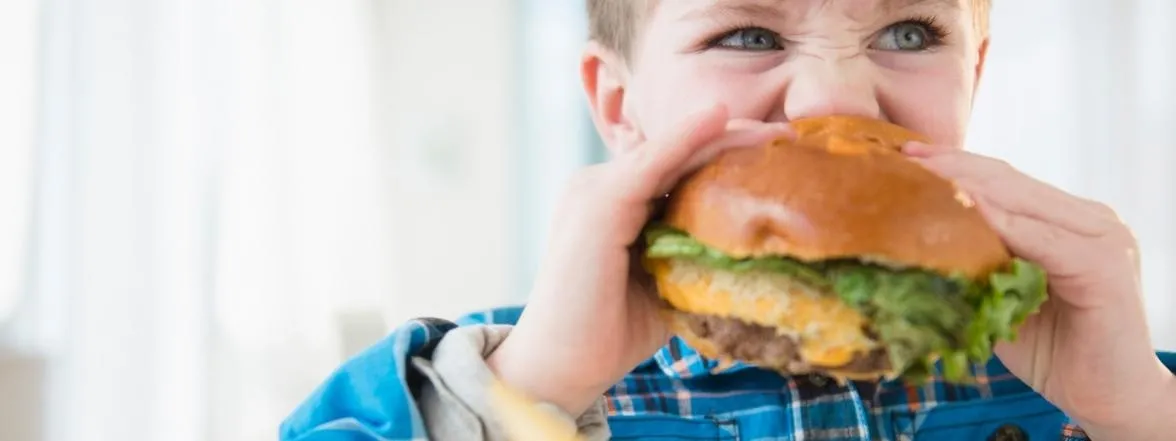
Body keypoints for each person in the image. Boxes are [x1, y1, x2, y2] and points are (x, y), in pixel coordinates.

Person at [278, 1, 1176, 440]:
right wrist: (530, 391)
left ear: (974, 75)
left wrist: (1138, 412)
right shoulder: (505, 376)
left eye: (908, 32)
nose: (833, 99)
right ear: (621, 105)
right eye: (748, 36)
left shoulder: (1095, 378)